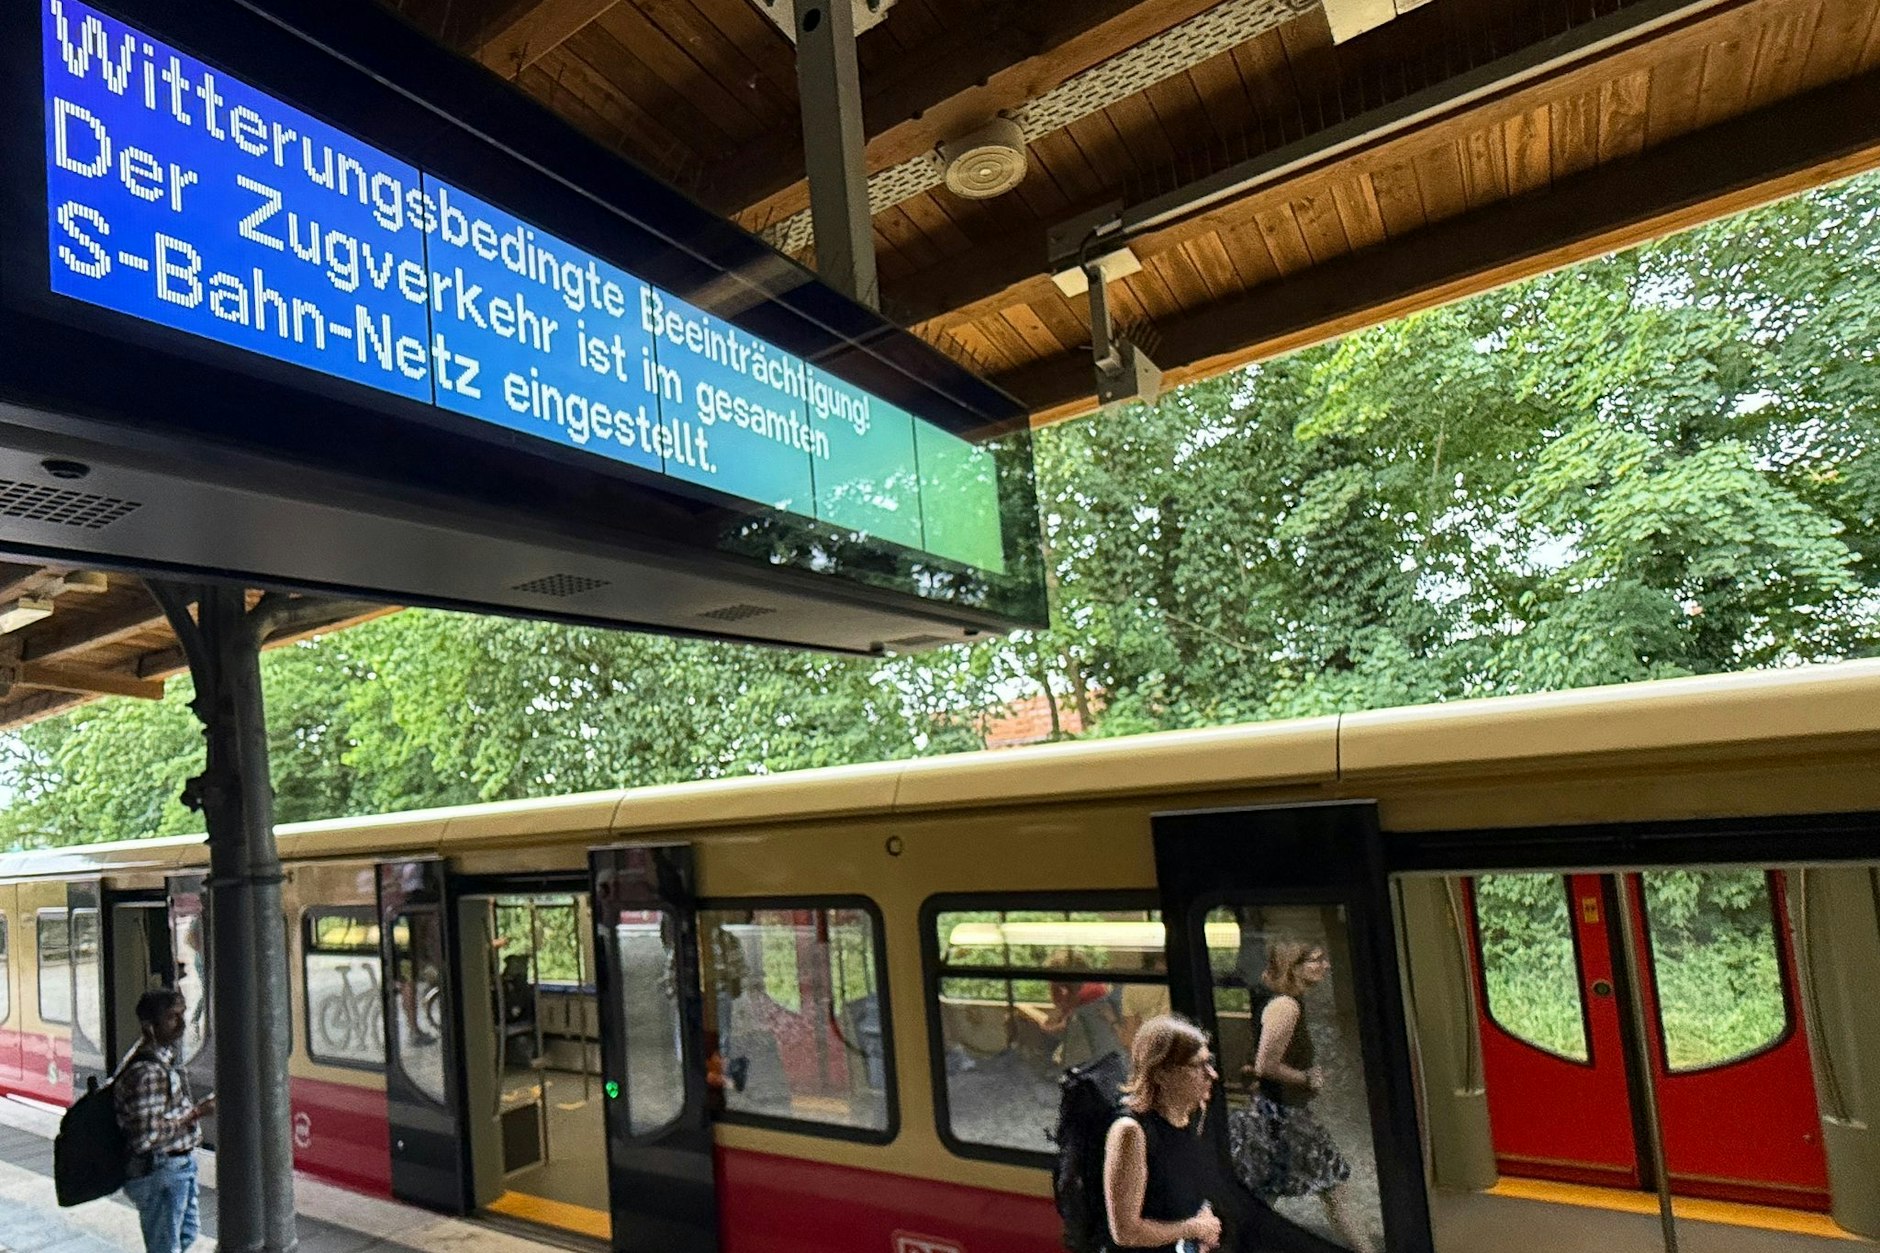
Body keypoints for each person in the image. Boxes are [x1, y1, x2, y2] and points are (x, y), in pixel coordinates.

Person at [1229, 941, 1374, 1253]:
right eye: (1316, 960)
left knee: (1266, 1190)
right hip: (1284, 1117)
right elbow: (1265, 1065)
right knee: (1335, 1189)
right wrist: (1306, 1077)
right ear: (1293, 966)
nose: (1325, 966)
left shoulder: (1284, 1000)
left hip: (1275, 1114)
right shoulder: (1286, 1007)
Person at [1103, 1015, 1223, 1253]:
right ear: (1161, 1074)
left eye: (1210, 1063)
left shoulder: (1192, 1115)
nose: (1212, 1074)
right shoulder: (1131, 1132)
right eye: (1198, 1066)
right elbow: (1126, 1232)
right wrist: (1194, 1228)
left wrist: (1203, 1219)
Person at [115, 989, 214, 1253]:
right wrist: (197, 1112)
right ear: (150, 1026)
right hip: (161, 1171)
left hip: (176, 1167)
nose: (181, 1024)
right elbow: (145, 1137)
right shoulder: (147, 1072)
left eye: (182, 1015)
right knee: (165, 1247)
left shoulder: (159, 1060)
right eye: (172, 1018)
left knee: (185, 1234)